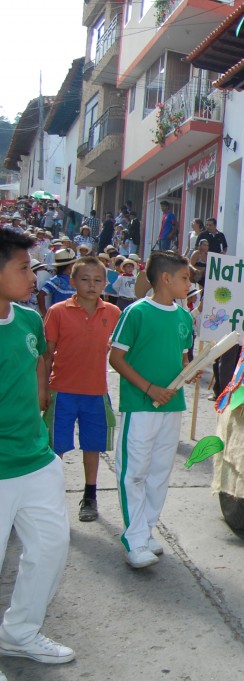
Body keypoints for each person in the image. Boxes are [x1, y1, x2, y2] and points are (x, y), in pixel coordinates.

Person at [0, 226, 75, 665]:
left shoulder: (28, 318)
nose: (32, 276)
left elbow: (37, 377)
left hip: (34, 459)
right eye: (23, 267)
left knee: (49, 546)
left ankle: (20, 632)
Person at [108, 251, 194, 568]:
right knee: (134, 472)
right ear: (166, 278)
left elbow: (182, 361)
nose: (189, 283)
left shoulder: (184, 317)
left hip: (172, 406)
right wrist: (148, 388)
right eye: (184, 277)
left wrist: (191, 370)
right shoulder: (136, 313)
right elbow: (115, 358)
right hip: (140, 406)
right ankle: (133, 538)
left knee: (159, 473)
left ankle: (146, 531)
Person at [42, 256, 120, 523]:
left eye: (98, 280)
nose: (91, 284)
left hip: (96, 392)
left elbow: (124, 352)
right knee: (56, 448)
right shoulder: (58, 312)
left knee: (92, 446)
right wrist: (42, 390)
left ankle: (90, 496)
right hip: (61, 391)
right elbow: (47, 355)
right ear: (72, 281)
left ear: (105, 283)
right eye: (84, 279)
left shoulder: (113, 313)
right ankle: (51, 498)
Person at [38, 248, 77, 315]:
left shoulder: (76, 279)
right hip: (59, 317)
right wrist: (45, 314)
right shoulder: (57, 280)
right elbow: (40, 295)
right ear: (70, 266)